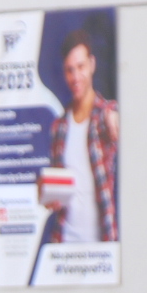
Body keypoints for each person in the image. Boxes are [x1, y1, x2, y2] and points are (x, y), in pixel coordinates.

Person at [45, 27, 119, 244]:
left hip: (101, 244)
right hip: (64, 242)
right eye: (69, 70)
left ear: (92, 65)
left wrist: (115, 118)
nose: (75, 77)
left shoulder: (105, 114)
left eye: (80, 67)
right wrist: (49, 195)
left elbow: (114, 119)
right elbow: (58, 191)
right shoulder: (58, 127)